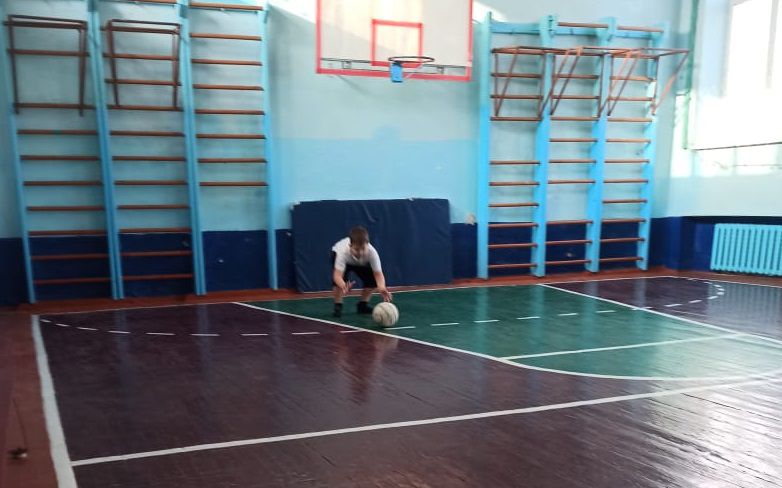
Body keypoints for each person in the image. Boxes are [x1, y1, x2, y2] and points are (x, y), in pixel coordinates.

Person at [331, 226, 392, 317]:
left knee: (373, 280)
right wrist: (343, 285)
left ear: (368, 245)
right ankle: (338, 305)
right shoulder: (342, 252)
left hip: (362, 262)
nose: (360, 252)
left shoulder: (372, 253)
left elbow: (378, 274)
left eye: (363, 248)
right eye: (356, 249)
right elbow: (337, 276)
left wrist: (382, 288)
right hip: (342, 257)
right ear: (350, 246)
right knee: (339, 282)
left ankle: (362, 305)